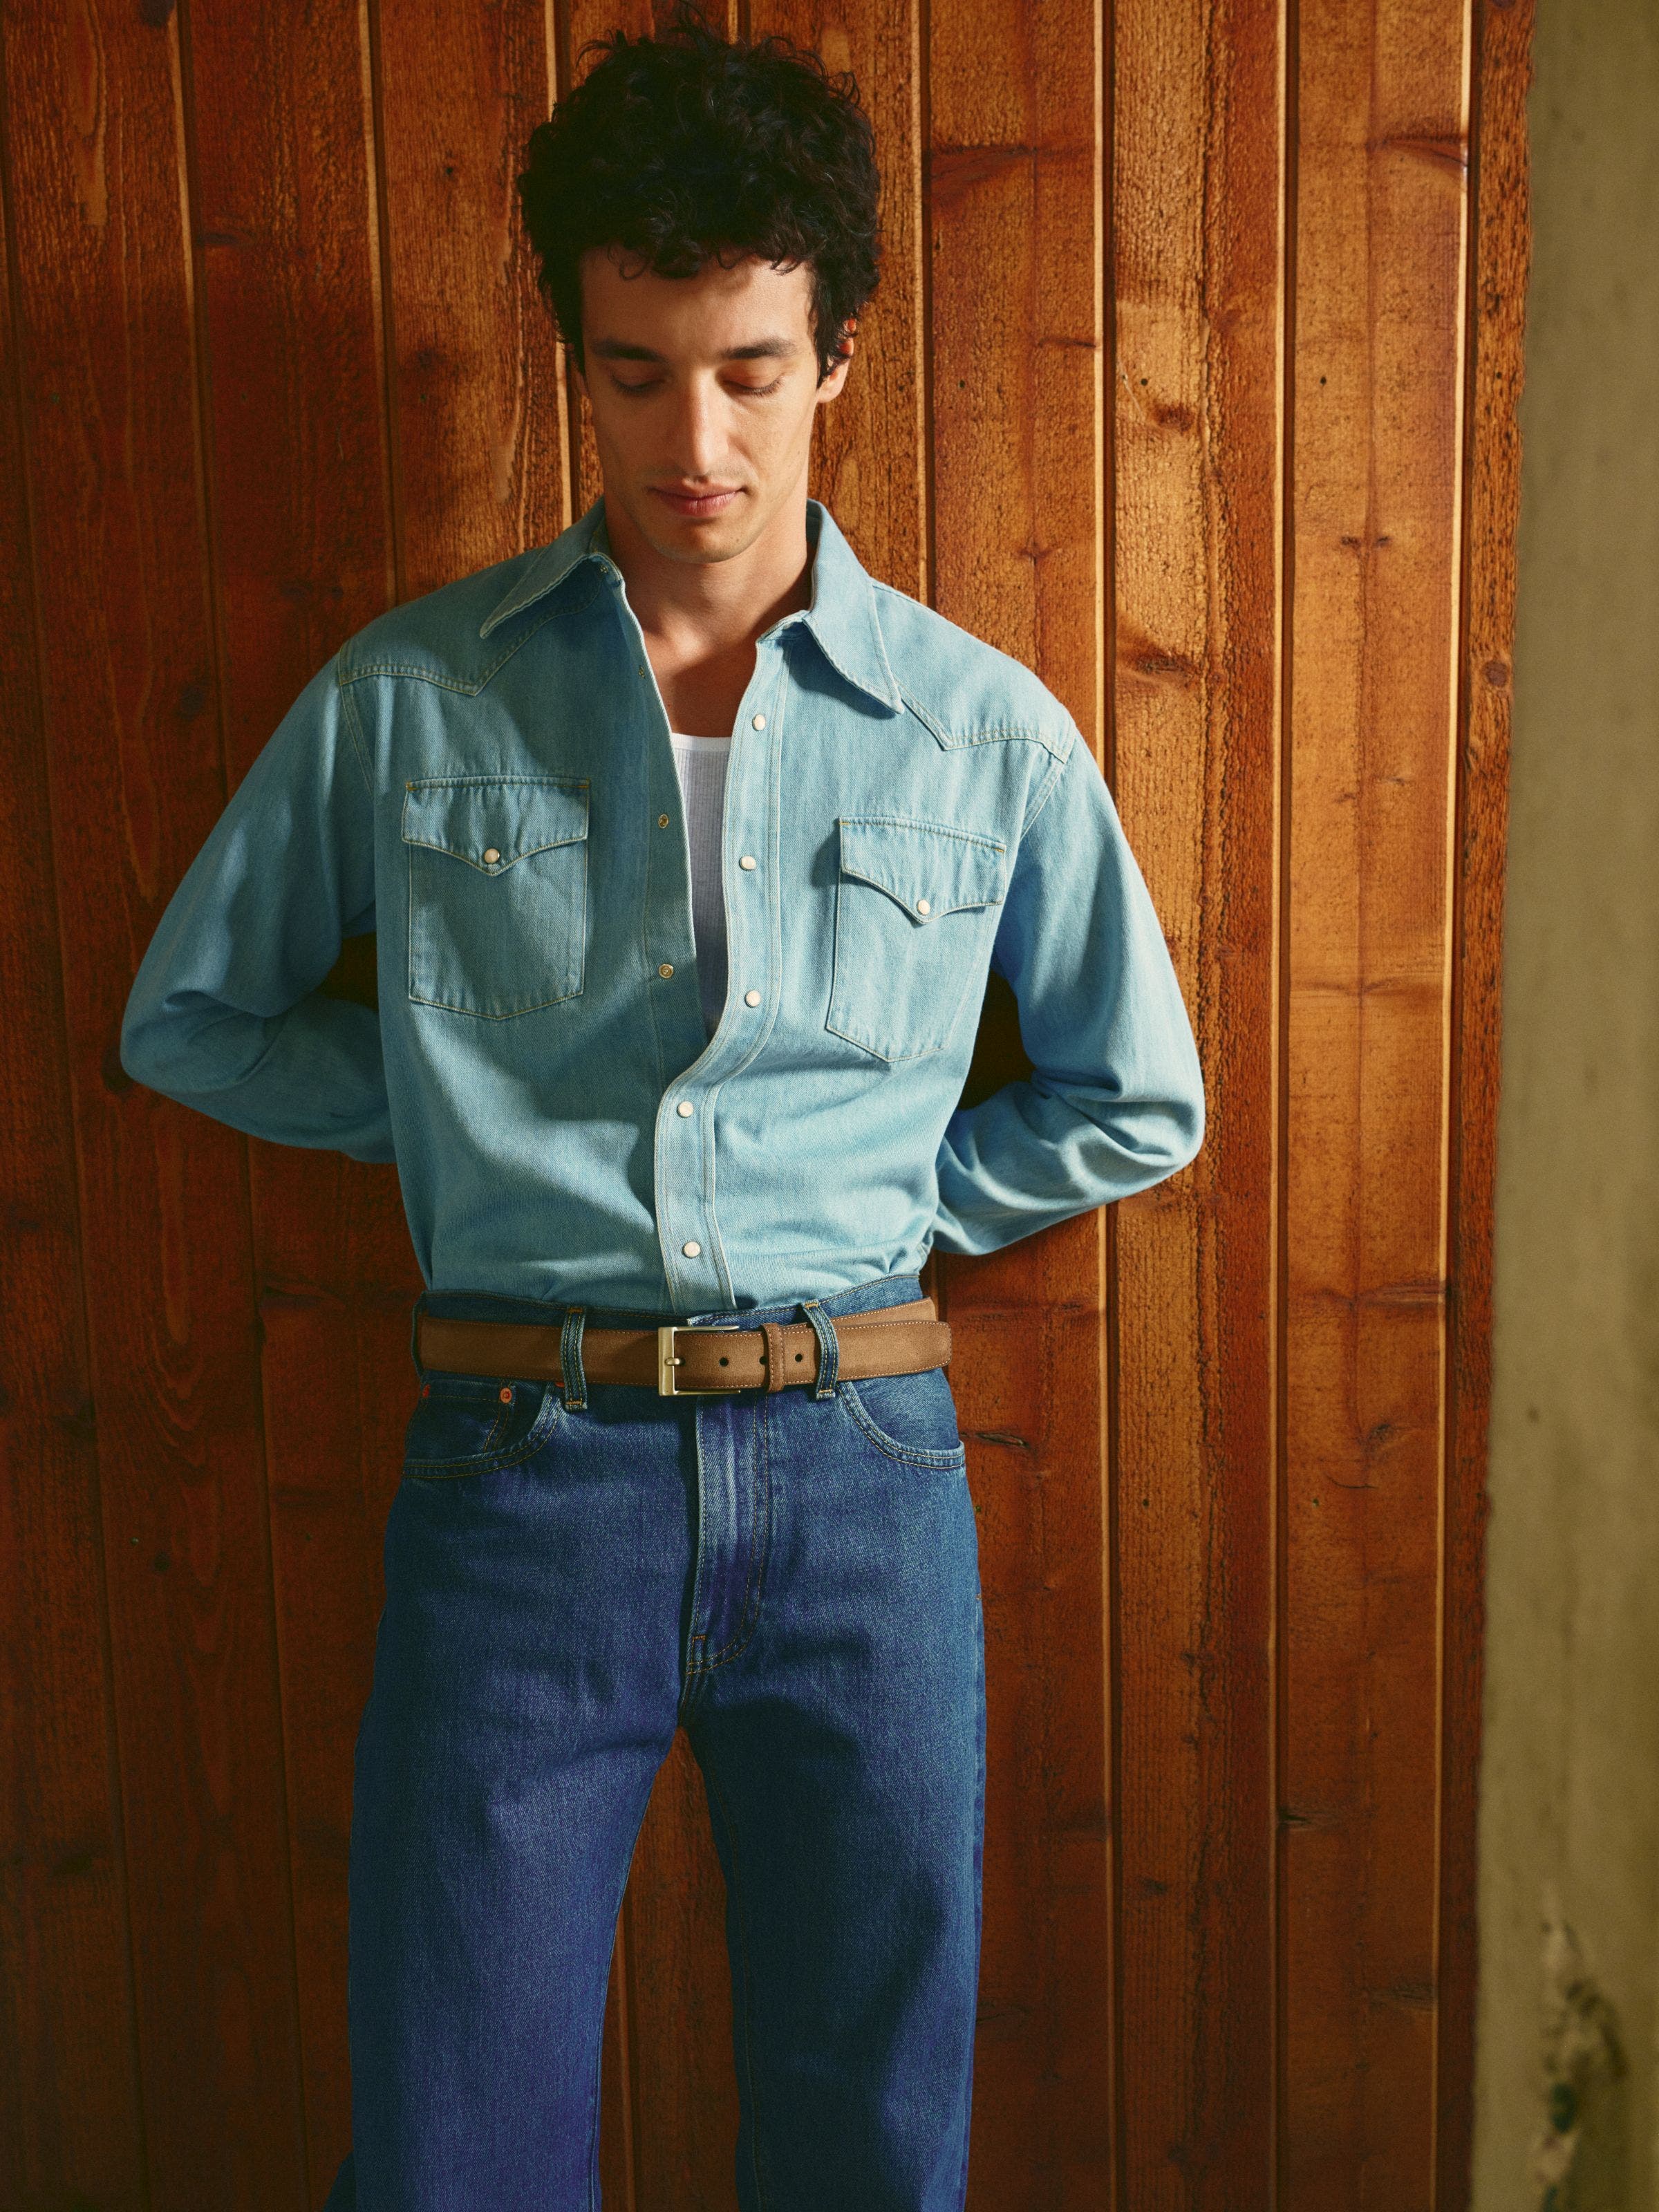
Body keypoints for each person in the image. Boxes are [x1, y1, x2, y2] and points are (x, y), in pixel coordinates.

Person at [119, 9, 1204, 2208]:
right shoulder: (412, 698)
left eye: (747, 370)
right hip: (526, 1473)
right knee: (451, 2145)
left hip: (862, 1465)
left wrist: (900, 1188)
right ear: (574, 357)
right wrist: (454, 1122)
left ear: (838, 357)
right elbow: (194, 1019)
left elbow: (1134, 1096)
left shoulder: (981, 731)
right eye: (634, 372)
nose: (693, 436)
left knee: (866, 2132)